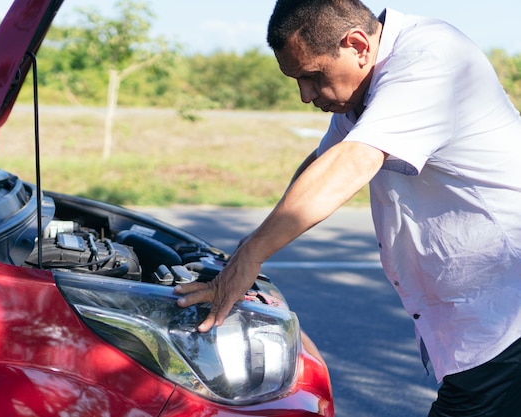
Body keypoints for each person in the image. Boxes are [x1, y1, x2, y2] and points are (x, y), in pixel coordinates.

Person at [174, 0, 521, 415]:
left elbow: (353, 161)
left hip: (507, 310)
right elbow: (322, 165)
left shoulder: (430, 58)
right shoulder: (365, 85)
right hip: (480, 317)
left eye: (312, 76)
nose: (305, 96)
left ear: (357, 45)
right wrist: (240, 256)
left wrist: (250, 258)